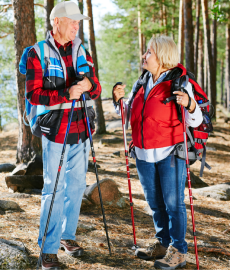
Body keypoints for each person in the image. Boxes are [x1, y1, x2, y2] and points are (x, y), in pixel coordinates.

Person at [113, 36, 202, 270]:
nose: (144, 55)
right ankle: (162, 244)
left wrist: (189, 104)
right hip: (143, 154)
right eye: (146, 52)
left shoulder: (179, 81)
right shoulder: (141, 82)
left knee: (173, 204)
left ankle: (179, 251)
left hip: (170, 152)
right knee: (155, 204)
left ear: (162, 56)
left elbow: (196, 119)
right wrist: (119, 102)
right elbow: (129, 116)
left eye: (149, 52)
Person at [25, 2, 102, 270]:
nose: (76, 25)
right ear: (56, 21)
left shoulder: (82, 49)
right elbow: (33, 94)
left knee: (77, 186)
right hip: (55, 131)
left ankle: (67, 237)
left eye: (78, 22)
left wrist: (90, 85)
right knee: (54, 190)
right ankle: (47, 250)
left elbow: (97, 86)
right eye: (72, 21)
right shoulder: (38, 53)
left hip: (81, 129)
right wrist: (64, 94)